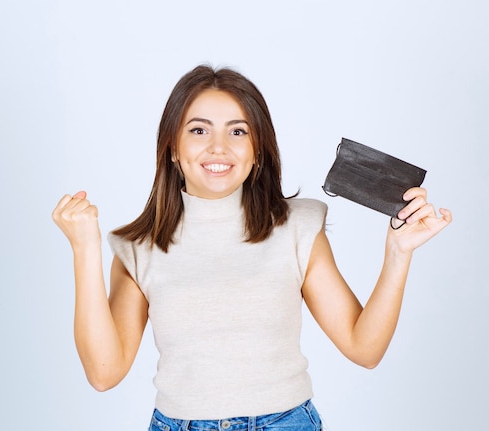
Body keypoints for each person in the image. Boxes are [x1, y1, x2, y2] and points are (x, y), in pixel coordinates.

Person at [52, 65, 452, 431]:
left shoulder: (298, 225)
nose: (218, 147)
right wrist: (85, 249)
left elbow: (364, 349)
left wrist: (399, 253)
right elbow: (104, 373)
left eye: (238, 131)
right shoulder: (137, 247)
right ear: (173, 148)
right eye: (198, 130)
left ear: (257, 150)